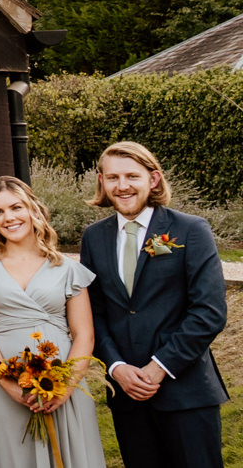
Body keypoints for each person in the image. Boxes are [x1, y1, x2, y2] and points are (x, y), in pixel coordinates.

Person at [75, 140, 229, 468]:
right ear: (101, 181)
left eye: (132, 176)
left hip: (186, 392)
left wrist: (158, 368)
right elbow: (95, 312)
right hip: (127, 397)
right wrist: (117, 368)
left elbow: (209, 312)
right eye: (113, 177)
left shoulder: (190, 230)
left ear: (153, 179)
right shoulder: (94, 237)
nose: (123, 185)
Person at [0, 176, 105, 468]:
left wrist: (64, 386)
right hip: (3, 385)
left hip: (63, 379)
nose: (8, 218)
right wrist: (9, 384)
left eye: (16, 207)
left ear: (33, 210)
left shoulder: (68, 269)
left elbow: (84, 334)